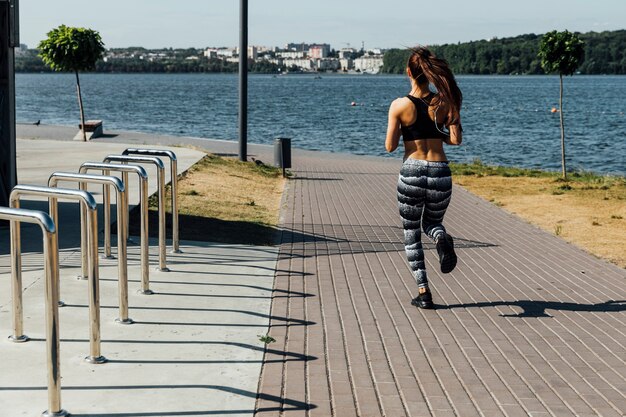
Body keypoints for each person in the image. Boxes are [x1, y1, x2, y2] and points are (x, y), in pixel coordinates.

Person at [385, 46, 463, 309]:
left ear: (408, 72)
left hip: (412, 171)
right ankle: (441, 239)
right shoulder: (445, 102)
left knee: (411, 232)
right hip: (440, 170)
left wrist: (411, 132)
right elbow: (455, 139)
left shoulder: (399, 105)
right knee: (433, 223)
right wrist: (436, 132)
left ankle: (424, 292)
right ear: (429, 74)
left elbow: (390, 146)